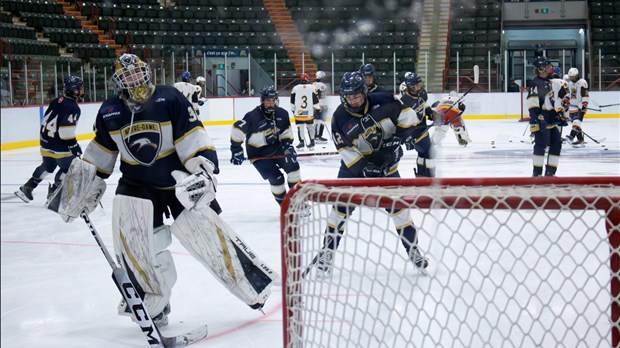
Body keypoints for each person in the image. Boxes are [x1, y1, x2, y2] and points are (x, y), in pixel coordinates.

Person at [46, 54, 278, 327]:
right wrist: (79, 188)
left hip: (177, 180)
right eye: (128, 77)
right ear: (120, 82)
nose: (135, 81)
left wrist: (202, 170)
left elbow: (193, 136)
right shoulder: (110, 111)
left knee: (209, 237)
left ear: (146, 73)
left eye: (137, 74)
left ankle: (253, 289)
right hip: (136, 183)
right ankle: (154, 302)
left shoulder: (170, 98)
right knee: (136, 245)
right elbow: (100, 156)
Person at [310, 71, 429, 277]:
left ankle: (414, 251)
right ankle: (327, 253)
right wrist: (364, 168)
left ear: (364, 92)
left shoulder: (385, 100)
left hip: (388, 168)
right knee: (338, 212)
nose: (354, 100)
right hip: (352, 172)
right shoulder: (339, 117)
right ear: (343, 96)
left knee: (400, 211)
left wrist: (405, 136)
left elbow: (409, 118)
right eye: (349, 97)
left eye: (357, 95)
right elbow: (346, 151)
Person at [230, 85, 304, 208]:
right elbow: (237, 130)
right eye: (267, 101)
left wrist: (287, 145)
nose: (270, 103)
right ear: (262, 101)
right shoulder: (253, 116)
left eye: (273, 100)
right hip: (258, 154)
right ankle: (285, 206)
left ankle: (299, 202)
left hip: (276, 148)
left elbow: (285, 132)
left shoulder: (282, 113)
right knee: (276, 178)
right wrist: (236, 150)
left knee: (293, 167)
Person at [14, 75, 84, 203]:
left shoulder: (57, 101)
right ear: (75, 90)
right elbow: (65, 131)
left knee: (48, 166)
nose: (82, 90)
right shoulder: (73, 107)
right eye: (80, 87)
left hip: (45, 143)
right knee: (69, 168)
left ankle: (27, 187)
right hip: (59, 147)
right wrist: (74, 146)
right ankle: (54, 193)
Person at [527, 56, 566, 177]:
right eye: (548, 66)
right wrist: (538, 119)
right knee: (540, 145)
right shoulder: (536, 83)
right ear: (541, 69)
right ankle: (537, 173)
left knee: (556, 143)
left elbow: (550, 103)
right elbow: (533, 104)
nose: (551, 69)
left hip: (550, 121)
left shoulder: (548, 83)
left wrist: (558, 116)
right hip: (540, 121)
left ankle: (550, 173)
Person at [398, 72, 437, 177]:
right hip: (415, 134)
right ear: (410, 87)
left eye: (419, 84)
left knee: (423, 154)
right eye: (416, 86)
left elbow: (425, 106)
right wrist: (407, 137)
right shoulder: (404, 103)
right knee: (429, 154)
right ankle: (429, 176)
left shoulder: (421, 94)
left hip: (423, 131)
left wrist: (431, 114)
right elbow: (400, 123)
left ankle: (421, 175)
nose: (419, 87)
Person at [290, 73, 320, 151]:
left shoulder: (295, 88)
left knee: (300, 127)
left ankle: (301, 142)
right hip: (309, 112)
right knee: (310, 127)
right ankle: (312, 142)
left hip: (299, 112)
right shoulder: (312, 87)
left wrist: (293, 109)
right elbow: (315, 99)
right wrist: (317, 108)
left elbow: (292, 100)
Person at [565, 67, 590, 147]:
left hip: (580, 106)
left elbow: (585, 94)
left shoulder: (582, 82)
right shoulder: (570, 83)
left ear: (577, 75)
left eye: (573, 77)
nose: (572, 78)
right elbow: (569, 94)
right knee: (576, 124)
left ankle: (571, 136)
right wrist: (566, 99)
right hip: (572, 107)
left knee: (576, 121)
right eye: (571, 77)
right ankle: (580, 140)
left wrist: (584, 104)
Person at [313, 70, 329, 144]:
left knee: (316, 121)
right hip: (321, 105)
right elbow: (320, 95)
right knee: (321, 121)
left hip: (314, 105)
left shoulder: (313, 84)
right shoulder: (322, 85)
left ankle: (315, 136)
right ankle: (318, 136)